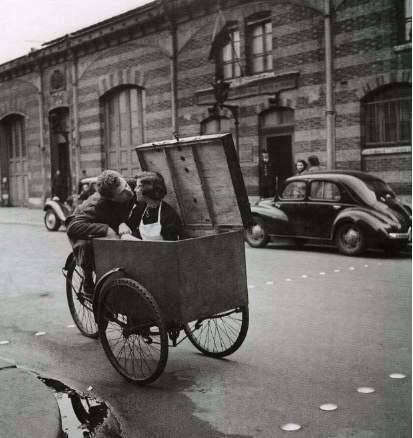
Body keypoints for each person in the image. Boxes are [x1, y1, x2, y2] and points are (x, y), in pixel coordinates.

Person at [65, 170, 135, 297]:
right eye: (122, 192)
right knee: (88, 246)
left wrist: (124, 223)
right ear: (112, 198)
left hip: (110, 219)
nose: (129, 191)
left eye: (125, 185)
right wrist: (105, 229)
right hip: (84, 223)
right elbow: (73, 227)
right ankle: (88, 280)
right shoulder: (97, 206)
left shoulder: (130, 184)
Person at [122, 172, 182, 242]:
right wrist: (123, 225)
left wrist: (137, 242)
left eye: (138, 186)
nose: (135, 190)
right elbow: (130, 224)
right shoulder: (142, 207)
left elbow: (171, 247)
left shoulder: (169, 215)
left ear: (148, 190)